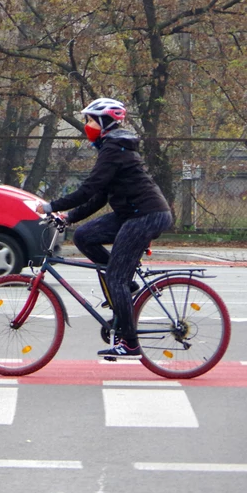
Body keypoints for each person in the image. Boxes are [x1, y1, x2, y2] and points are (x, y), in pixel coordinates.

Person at [35, 98, 172, 359]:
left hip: (146, 216)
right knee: (85, 236)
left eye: (89, 120)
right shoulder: (113, 147)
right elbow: (99, 197)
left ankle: (130, 343)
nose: (86, 126)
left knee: (115, 278)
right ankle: (124, 287)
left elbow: (88, 189)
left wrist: (51, 206)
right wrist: (70, 217)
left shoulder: (114, 148)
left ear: (104, 122)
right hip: (132, 214)